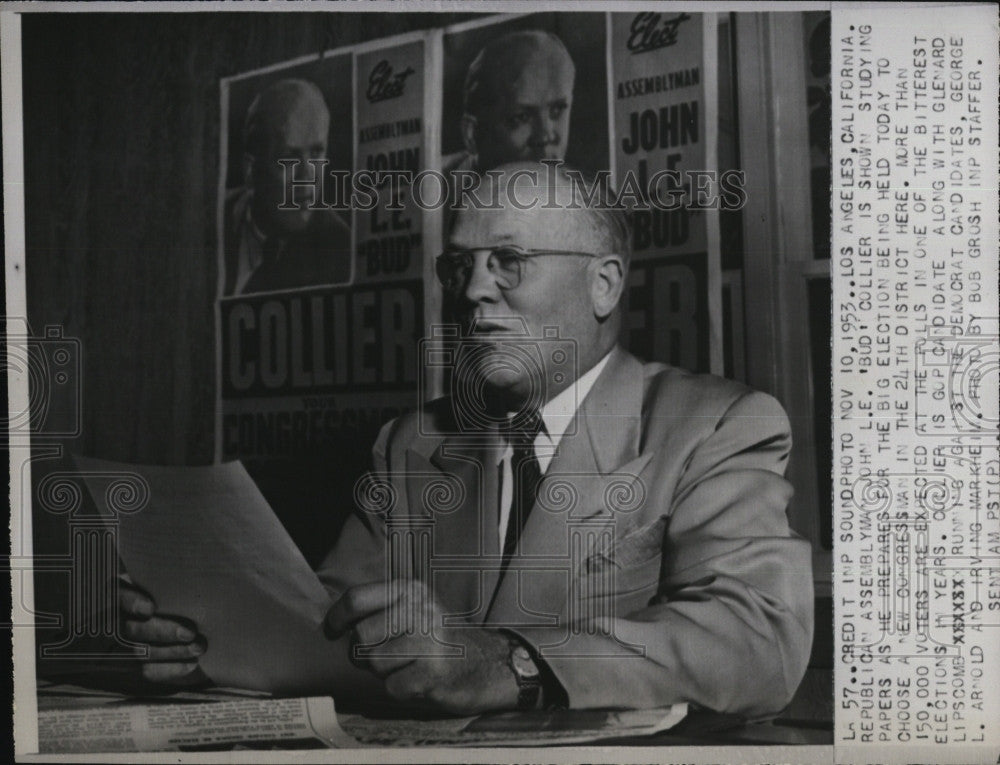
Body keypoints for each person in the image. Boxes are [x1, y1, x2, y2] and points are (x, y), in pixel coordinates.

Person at [122, 163, 814, 717]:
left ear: (604, 285)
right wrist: (214, 641)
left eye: (509, 259)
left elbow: (759, 642)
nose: (473, 291)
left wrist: (507, 661)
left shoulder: (718, 424)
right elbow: (325, 630)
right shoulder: (413, 442)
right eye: (459, 267)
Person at [222, 78, 351, 296]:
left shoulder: (340, 248)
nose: (307, 177)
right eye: (289, 157)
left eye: (316, 153)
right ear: (250, 171)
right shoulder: (212, 219)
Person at [442, 30, 575, 175]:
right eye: (522, 117)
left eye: (556, 110)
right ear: (472, 135)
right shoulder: (428, 187)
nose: (545, 136)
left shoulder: (584, 191)